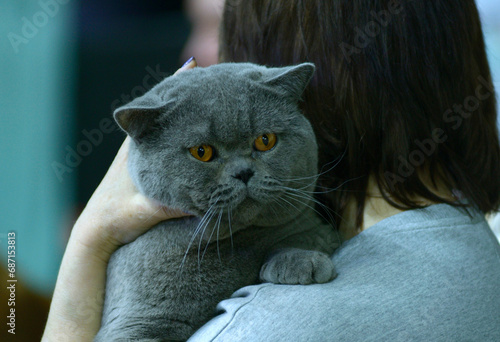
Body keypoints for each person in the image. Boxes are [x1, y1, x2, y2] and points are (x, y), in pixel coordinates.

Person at [43, 0, 500, 341]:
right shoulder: (470, 246)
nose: (193, 52)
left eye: (213, 26)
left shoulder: (270, 327)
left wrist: (89, 241)